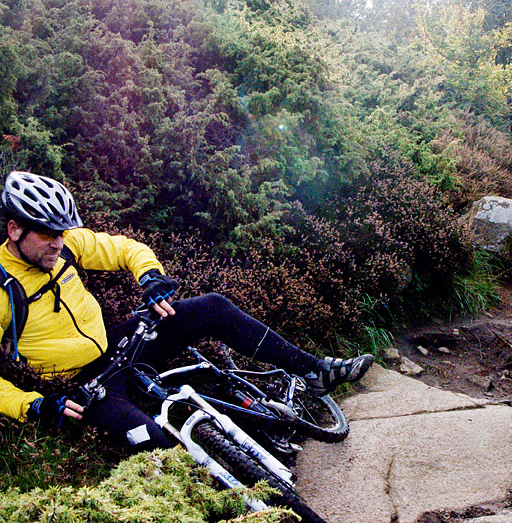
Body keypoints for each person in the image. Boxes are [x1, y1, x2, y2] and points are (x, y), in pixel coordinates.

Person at [0, 171, 373, 450]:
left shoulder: (66, 246)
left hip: (118, 344)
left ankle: (315, 370)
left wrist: (149, 277)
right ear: (14, 229)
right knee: (154, 443)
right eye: (47, 233)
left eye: (63, 232)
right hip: (79, 385)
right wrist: (33, 405)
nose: (58, 242)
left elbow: (126, 249)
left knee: (211, 307)